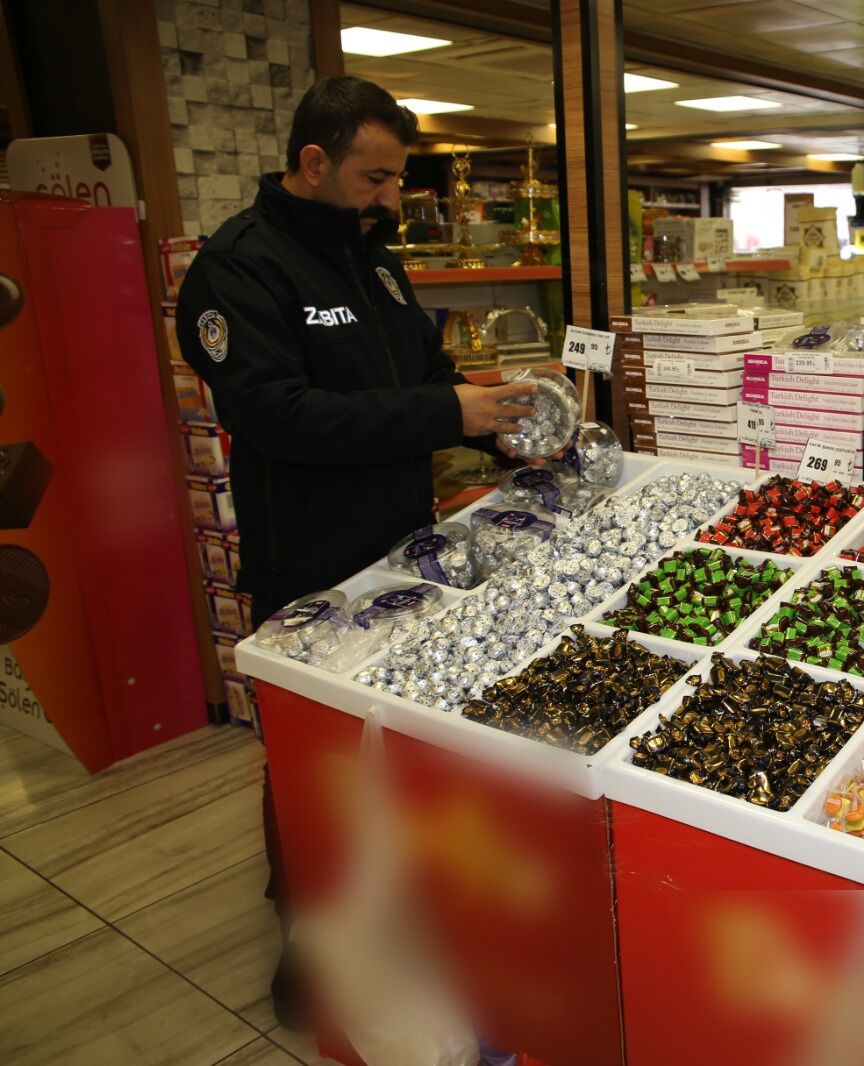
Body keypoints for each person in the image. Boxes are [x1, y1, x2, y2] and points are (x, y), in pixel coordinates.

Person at [176, 75, 535, 1028]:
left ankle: (397, 908)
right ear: (313, 162)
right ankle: (307, 942)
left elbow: (424, 374)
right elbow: (278, 417)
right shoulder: (236, 271)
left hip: (403, 552)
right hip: (307, 565)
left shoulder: (373, 258)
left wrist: (499, 423)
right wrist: (443, 410)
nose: (391, 199)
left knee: (388, 754)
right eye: (376, 178)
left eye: (397, 181)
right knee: (306, 760)